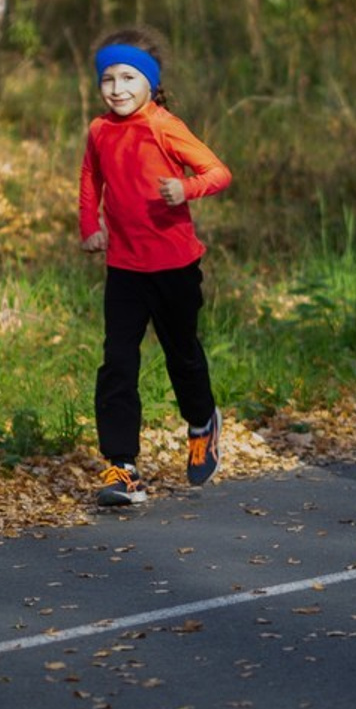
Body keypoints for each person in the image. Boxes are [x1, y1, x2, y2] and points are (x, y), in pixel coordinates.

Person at [78, 27, 232, 507]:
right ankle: (121, 468)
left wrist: (185, 190)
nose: (118, 89)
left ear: (150, 83)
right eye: (108, 79)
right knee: (117, 363)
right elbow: (91, 178)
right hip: (124, 267)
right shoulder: (99, 130)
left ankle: (203, 422)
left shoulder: (164, 126)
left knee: (181, 353)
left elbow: (217, 171)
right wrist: (90, 225)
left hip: (174, 266)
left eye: (129, 77)